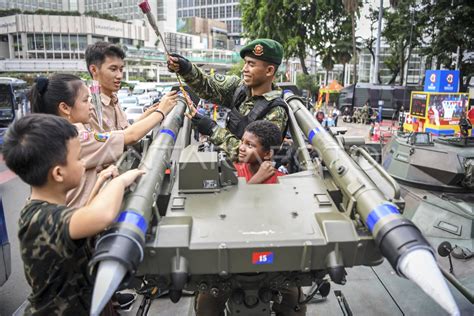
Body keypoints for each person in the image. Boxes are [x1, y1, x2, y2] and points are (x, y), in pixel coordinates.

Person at [1, 114, 145, 315]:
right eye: (79, 159)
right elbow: (101, 216)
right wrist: (119, 182)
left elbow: (82, 215)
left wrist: (100, 181)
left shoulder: (46, 210)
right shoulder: (40, 219)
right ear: (58, 173)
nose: (84, 164)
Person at [30, 74, 177, 208]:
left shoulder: (56, 134)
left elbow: (117, 135)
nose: (91, 105)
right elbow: (128, 136)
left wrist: (147, 115)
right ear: (65, 108)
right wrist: (161, 112)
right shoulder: (75, 137)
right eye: (85, 100)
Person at [167, 38, 289, 161]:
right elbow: (207, 86)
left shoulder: (276, 111)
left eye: (251, 64)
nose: (244, 69)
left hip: (248, 176)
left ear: (269, 71)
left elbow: (255, 156)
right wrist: (185, 68)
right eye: (245, 63)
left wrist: (213, 130)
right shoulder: (239, 87)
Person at [85, 41, 162, 132]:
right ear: (94, 70)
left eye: (121, 69)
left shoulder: (114, 99)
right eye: (113, 69)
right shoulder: (89, 106)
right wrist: (161, 113)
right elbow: (125, 138)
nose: (120, 75)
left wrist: (148, 113)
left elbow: (127, 131)